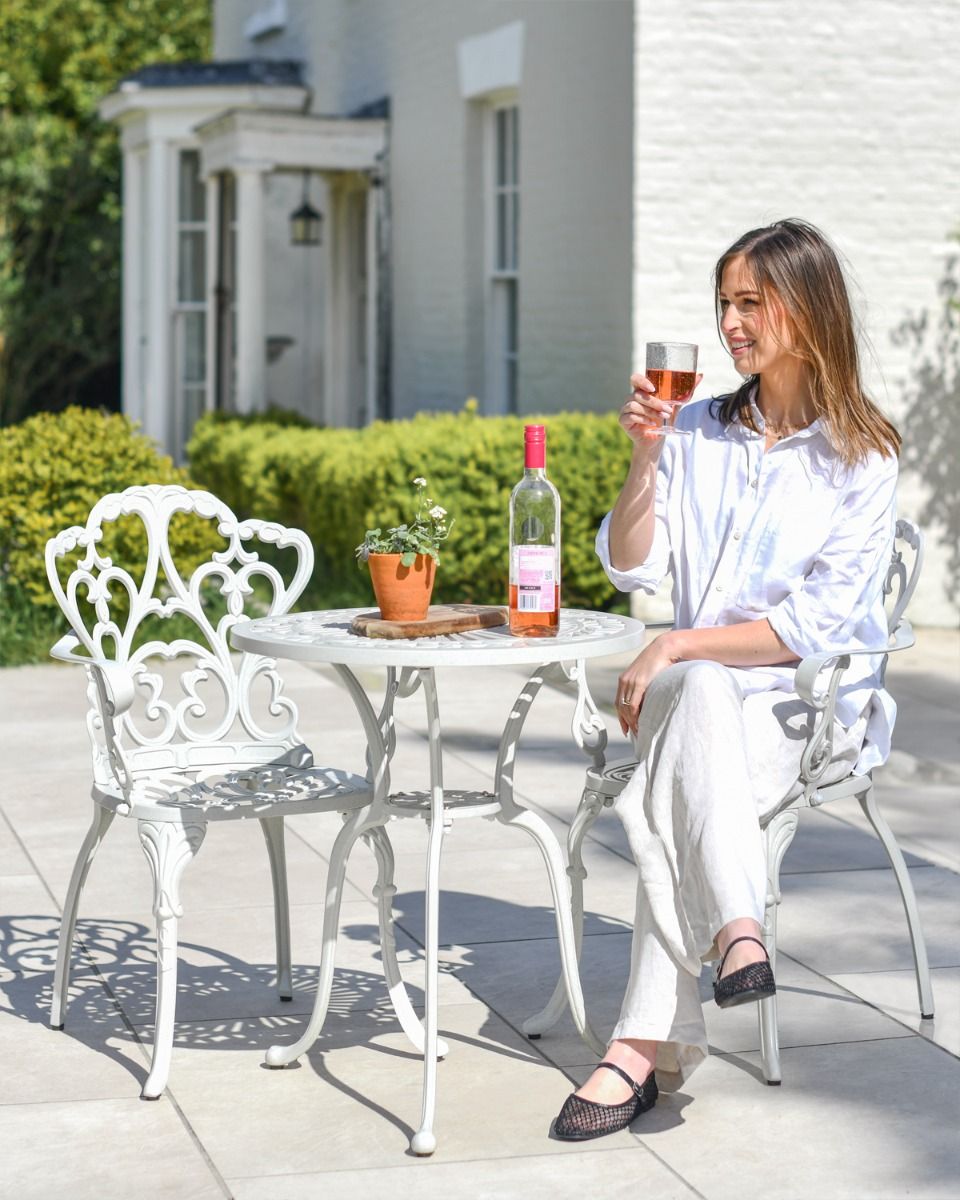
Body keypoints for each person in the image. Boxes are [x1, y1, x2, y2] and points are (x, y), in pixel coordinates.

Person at [552, 218, 901, 1141]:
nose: (733, 323)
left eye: (753, 302)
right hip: (698, 699)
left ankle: (639, 1049)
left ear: (809, 309)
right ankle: (738, 929)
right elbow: (632, 568)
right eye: (726, 304)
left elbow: (811, 629)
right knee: (700, 695)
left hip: (801, 703)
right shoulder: (698, 430)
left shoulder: (862, 456)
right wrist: (647, 456)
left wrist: (672, 646)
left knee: (679, 767)